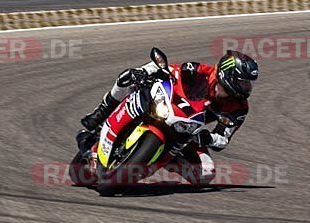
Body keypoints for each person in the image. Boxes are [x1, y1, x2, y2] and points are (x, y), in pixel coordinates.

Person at [78, 51, 258, 185]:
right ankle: (101, 112)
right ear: (228, 75)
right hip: (165, 107)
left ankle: (167, 161)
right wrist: (145, 73)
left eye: (248, 83)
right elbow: (170, 71)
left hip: (187, 133)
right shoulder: (197, 70)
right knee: (129, 76)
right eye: (243, 82)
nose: (246, 88)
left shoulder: (239, 108)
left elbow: (223, 139)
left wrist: (208, 138)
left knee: (206, 174)